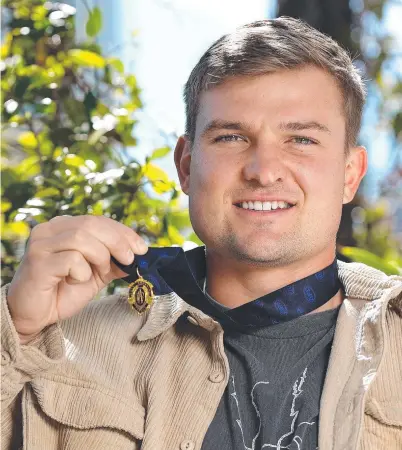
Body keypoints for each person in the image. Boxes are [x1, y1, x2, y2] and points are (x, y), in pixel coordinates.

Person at [1, 17, 401, 450]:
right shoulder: (56, 345)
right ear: (187, 167)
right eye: (231, 137)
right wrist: (15, 328)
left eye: (300, 140)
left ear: (350, 174)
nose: (263, 171)